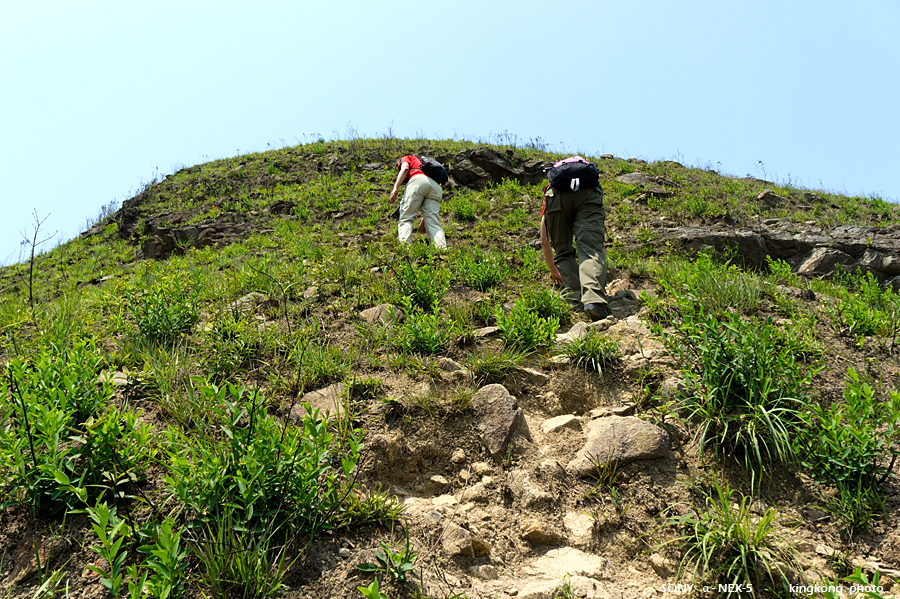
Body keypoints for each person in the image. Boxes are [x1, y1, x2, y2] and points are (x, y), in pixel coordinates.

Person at [539, 167, 609, 321]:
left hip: (556, 198)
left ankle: (576, 299)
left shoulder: (553, 187)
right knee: (590, 249)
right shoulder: (587, 176)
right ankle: (593, 300)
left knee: (563, 251)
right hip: (588, 193)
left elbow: (545, 240)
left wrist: (553, 271)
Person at [389, 155, 447, 250]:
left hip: (418, 180)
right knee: (433, 222)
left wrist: (395, 188)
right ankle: (442, 250)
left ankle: (405, 250)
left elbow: (405, 169)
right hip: (436, 187)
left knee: (406, 218)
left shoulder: (408, 157)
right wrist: (424, 220)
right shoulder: (425, 164)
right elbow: (428, 192)